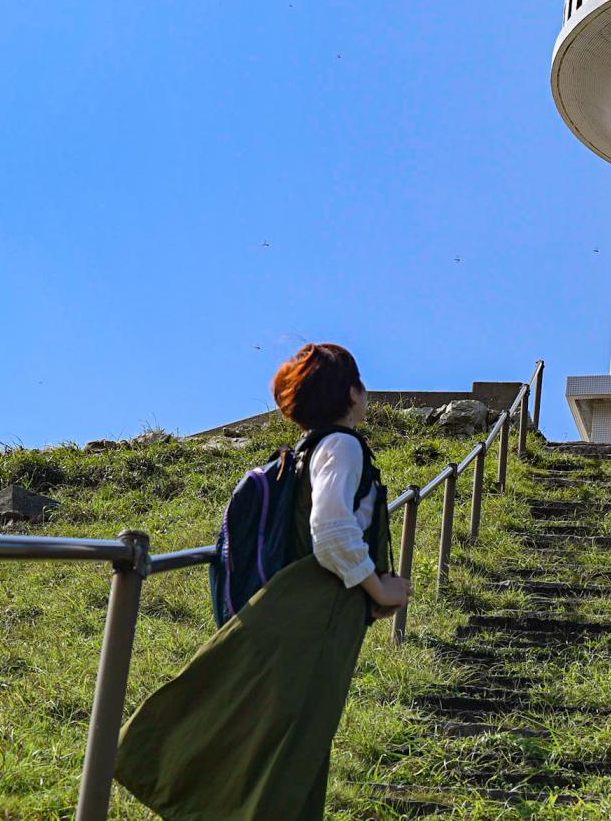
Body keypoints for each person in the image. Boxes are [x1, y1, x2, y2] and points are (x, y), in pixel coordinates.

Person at [114, 343, 411, 821]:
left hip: (291, 607)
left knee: (276, 744)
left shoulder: (305, 451)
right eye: (360, 381)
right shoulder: (342, 446)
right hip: (314, 617)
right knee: (291, 749)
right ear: (351, 392)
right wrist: (380, 589)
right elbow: (332, 531)